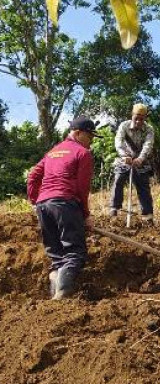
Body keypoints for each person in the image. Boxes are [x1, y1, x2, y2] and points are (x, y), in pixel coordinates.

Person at [27, 116, 101, 299]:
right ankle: (62, 295)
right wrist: (85, 214)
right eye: (89, 136)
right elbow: (83, 188)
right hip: (65, 204)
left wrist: (36, 199)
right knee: (75, 252)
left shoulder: (53, 152)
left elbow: (32, 176)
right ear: (77, 133)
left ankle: (55, 294)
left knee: (57, 255)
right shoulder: (83, 153)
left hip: (43, 206)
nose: (91, 141)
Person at [109, 103, 154, 222]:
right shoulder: (124, 125)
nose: (139, 121)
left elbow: (148, 145)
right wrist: (124, 155)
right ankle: (114, 209)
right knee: (118, 179)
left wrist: (141, 158)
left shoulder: (149, 129)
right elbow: (118, 141)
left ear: (145, 118)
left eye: (142, 118)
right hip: (125, 158)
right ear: (132, 115)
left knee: (143, 186)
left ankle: (147, 215)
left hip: (140, 160)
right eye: (137, 118)